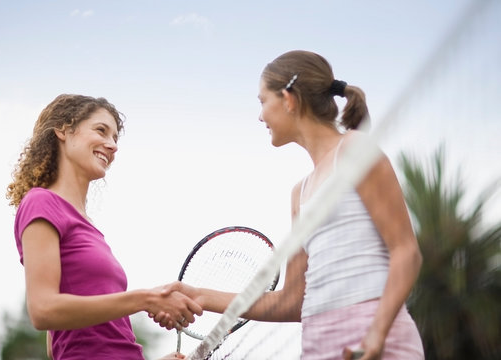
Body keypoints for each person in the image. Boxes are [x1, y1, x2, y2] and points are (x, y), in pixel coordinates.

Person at [154, 50, 424, 359]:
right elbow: (293, 302)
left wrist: (376, 336)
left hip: (378, 341)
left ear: (289, 99)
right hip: (316, 346)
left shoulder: (356, 150)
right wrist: (198, 295)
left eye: (262, 101)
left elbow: (407, 252)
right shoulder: (300, 193)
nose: (259, 116)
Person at [7, 94, 202, 360]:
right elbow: (43, 311)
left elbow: (58, 345)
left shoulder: (89, 228)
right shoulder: (41, 202)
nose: (112, 145)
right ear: (63, 130)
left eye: (115, 138)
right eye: (101, 130)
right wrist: (146, 299)